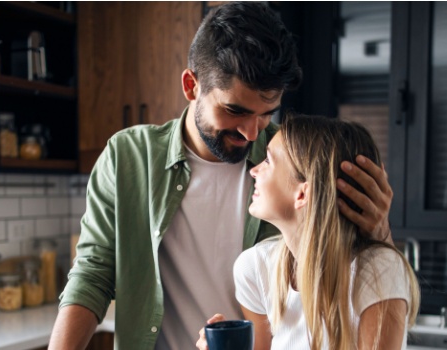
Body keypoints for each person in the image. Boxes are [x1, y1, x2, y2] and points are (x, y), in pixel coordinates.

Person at [49, 3, 394, 349]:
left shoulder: (291, 164)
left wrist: (379, 235)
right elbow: (92, 274)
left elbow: (346, 270)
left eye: (266, 114)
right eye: (235, 110)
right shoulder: (128, 157)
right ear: (191, 85)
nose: (251, 133)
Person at [196, 115, 420, 350]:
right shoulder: (254, 268)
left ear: (302, 194)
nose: (254, 170)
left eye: (269, 161)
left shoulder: (378, 271)